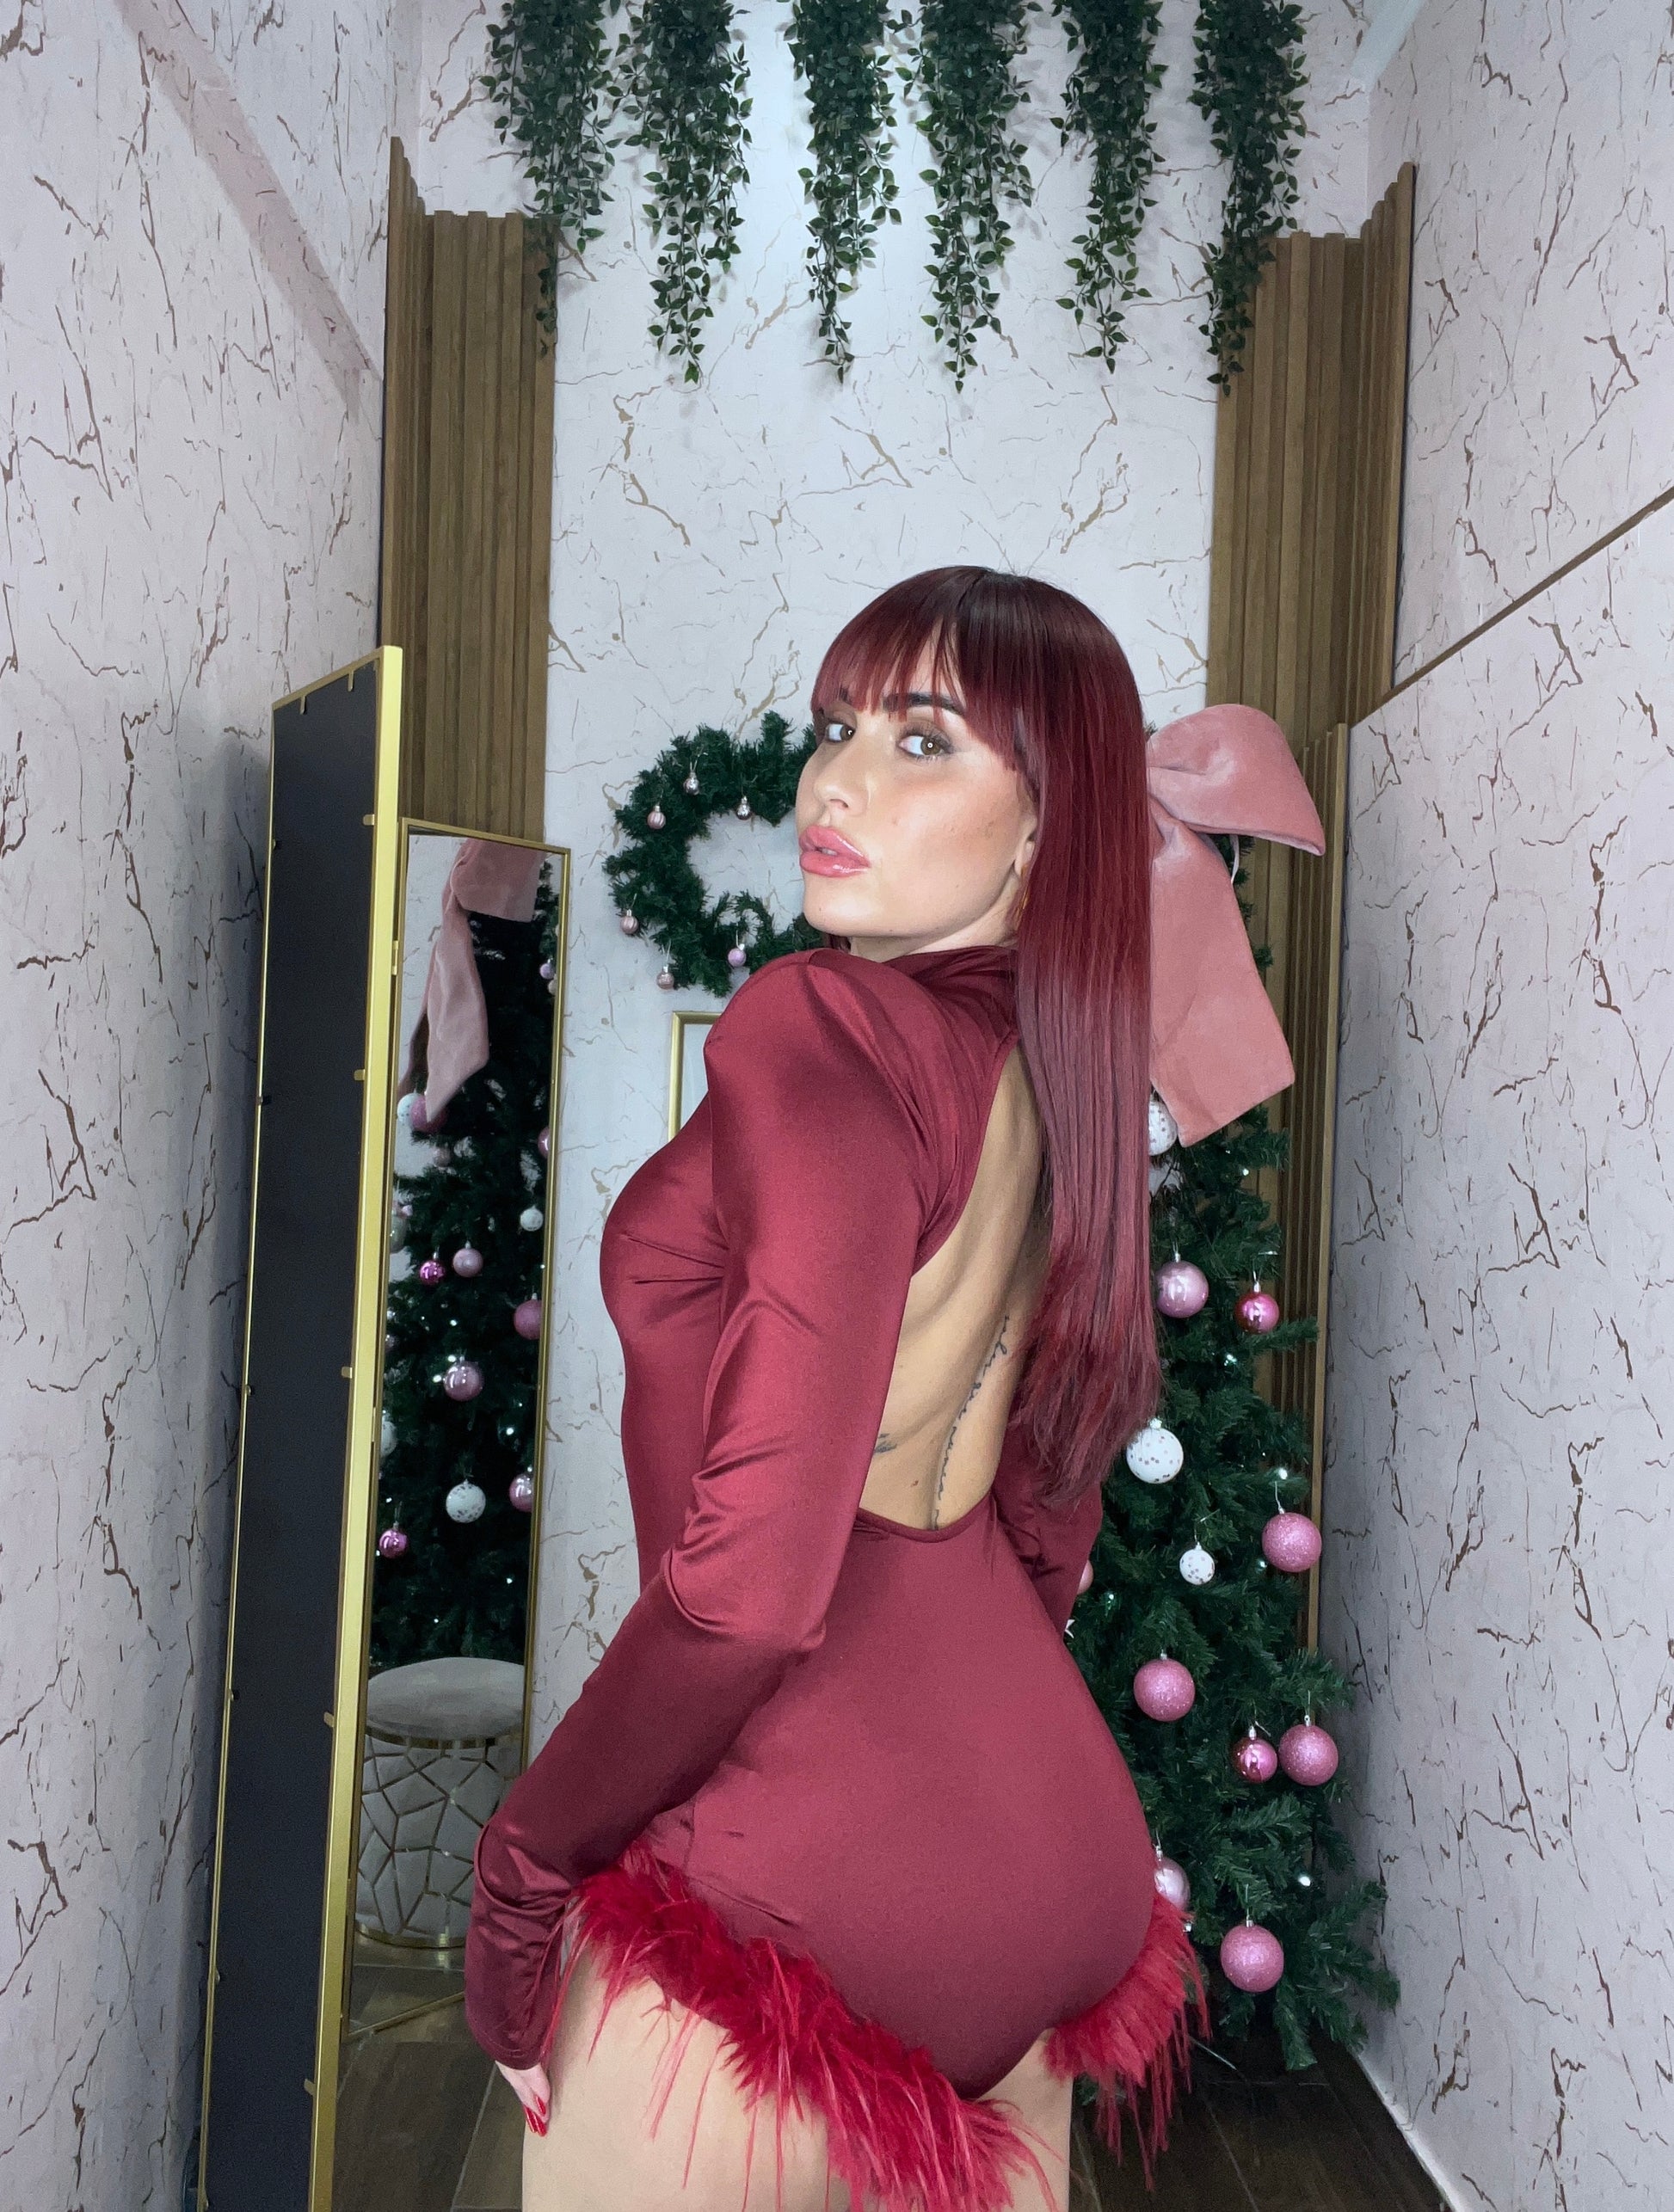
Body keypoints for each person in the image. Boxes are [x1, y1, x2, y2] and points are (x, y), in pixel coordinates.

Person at [464, 568, 1210, 2212]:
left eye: (921, 740)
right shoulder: (1064, 1066)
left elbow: (749, 1599)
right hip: (1049, 1841)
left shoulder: (824, 1026)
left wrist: (522, 1875)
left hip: (815, 1880)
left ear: (1044, 825)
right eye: (836, 727)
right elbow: (1046, 1518)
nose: (834, 782)